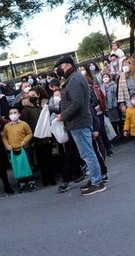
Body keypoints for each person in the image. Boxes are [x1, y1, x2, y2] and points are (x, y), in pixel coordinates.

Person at [53, 55, 106, 196]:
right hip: (78, 122)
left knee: (88, 154)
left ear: (68, 65)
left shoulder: (75, 79)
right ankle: (95, 178)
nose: (59, 70)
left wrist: (62, 115)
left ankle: (97, 182)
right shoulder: (73, 79)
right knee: (87, 153)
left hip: (79, 122)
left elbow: (77, 103)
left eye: (61, 67)